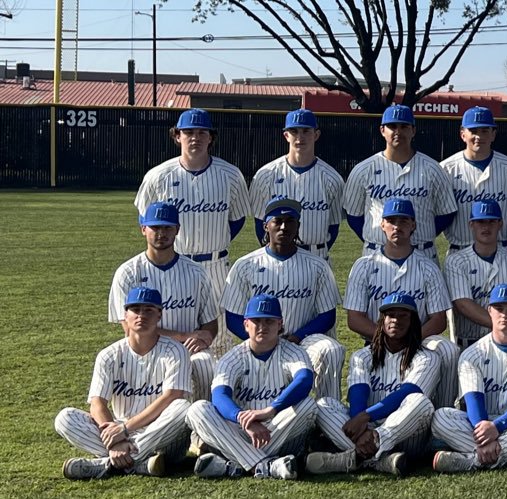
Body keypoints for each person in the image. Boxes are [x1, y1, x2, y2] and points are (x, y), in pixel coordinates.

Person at [133, 108, 250, 356]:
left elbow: (237, 220)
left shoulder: (231, 175)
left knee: (218, 337)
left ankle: (213, 392)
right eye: (188, 132)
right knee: (172, 332)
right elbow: (146, 220)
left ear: (211, 137)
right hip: (176, 264)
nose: (194, 137)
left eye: (201, 132)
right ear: (177, 136)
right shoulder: (157, 176)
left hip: (216, 264)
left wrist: (215, 240)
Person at [56, 287, 191, 479]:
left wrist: (125, 429)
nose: (141, 315)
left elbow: (172, 396)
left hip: (163, 435)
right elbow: (97, 403)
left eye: (148, 310)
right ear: (125, 315)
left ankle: (108, 464)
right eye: (135, 309)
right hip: (119, 431)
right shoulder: (108, 355)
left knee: (182, 407)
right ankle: (138, 463)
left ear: (159, 315)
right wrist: (114, 439)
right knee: (65, 417)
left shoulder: (176, 351)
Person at [223, 199, 344, 399]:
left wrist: (297, 337)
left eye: (290, 221)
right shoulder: (245, 265)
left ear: (298, 226)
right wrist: (262, 341)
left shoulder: (317, 265)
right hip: (257, 341)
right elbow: (233, 317)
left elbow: (327, 316)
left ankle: (329, 411)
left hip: (304, 340)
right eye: (277, 221)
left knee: (330, 349)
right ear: (265, 226)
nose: (283, 226)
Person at [186, 294, 315, 480]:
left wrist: (271, 410)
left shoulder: (294, 352)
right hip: (241, 431)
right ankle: (268, 466)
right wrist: (243, 419)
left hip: (278, 430)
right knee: (197, 409)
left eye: (269, 321)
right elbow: (219, 395)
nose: (262, 326)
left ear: (280, 324)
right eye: (256, 321)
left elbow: (304, 380)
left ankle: (232, 465)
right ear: (246, 325)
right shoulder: (233, 357)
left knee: (308, 405)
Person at [344, 198, 458, 408]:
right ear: (382, 225)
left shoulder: (428, 267)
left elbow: (439, 319)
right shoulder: (363, 266)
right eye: (392, 220)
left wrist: (409, 339)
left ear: (413, 225)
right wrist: (387, 338)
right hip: (376, 342)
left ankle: (444, 412)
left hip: (419, 341)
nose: (397, 226)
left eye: (404, 221)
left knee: (449, 350)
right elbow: (354, 319)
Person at [431, 284, 507, 473]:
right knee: (440, 417)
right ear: (489, 311)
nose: (505, 314)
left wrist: (497, 427)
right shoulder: (472, 354)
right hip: (482, 427)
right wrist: (486, 432)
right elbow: (474, 401)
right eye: (499, 309)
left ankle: (473, 460)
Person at [306, 293, 437, 476]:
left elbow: (409, 391)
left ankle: (354, 456)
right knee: (324, 404)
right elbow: (358, 392)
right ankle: (380, 461)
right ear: (382, 320)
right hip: (365, 429)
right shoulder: (363, 355)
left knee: (419, 401)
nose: (396, 320)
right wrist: (361, 422)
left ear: (413, 321)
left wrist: (365, 417)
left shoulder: (427, 357)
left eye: (403, 315)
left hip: (407, 433)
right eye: (390, 315)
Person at [108, 202, 217, 400]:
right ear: (143, 229)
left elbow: (210, 322)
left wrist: (205, 338)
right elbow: (131, 329)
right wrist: (184, 335)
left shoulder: (196, 272)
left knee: (205, 364)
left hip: (188, 349)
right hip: (144, 349)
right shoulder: (128, 273)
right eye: (155, 227)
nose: (161, 233)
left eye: (167, 227)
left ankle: (202, 420)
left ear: (177, 230)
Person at [342, 104, 458, 260]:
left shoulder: (433, 169)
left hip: (422, 252)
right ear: (382, 130)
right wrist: (380, 239)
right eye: (392, 126)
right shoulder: (363, 170)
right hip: (376, 253)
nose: (398, 131)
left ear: (413, 130)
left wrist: (418, 234)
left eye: (404, 126)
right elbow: (354, 216)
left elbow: (446, 213)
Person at [248, 108, 344, 261]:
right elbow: (260, 223)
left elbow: (333, 226)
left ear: (316, 134)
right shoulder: (265, 175)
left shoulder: (331, 178)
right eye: (294, 131)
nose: (300, 137)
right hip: (276, 256)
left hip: (316, 255)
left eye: (306, 131)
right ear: (286, 135)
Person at [444, 200, 507, 349]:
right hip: (469, 344)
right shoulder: (456, 261)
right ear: (471, 224)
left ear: (500, 224)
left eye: (491, 221)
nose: (486, 227)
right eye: (480, 222)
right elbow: (463, 305)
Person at [441, 106, 507, 254]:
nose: (479, 136)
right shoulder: (446, 169)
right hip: (460, 250)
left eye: (485, 131)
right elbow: (440, 213)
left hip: (502, 250)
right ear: (462, 134)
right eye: (473, 131)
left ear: (493, 134)